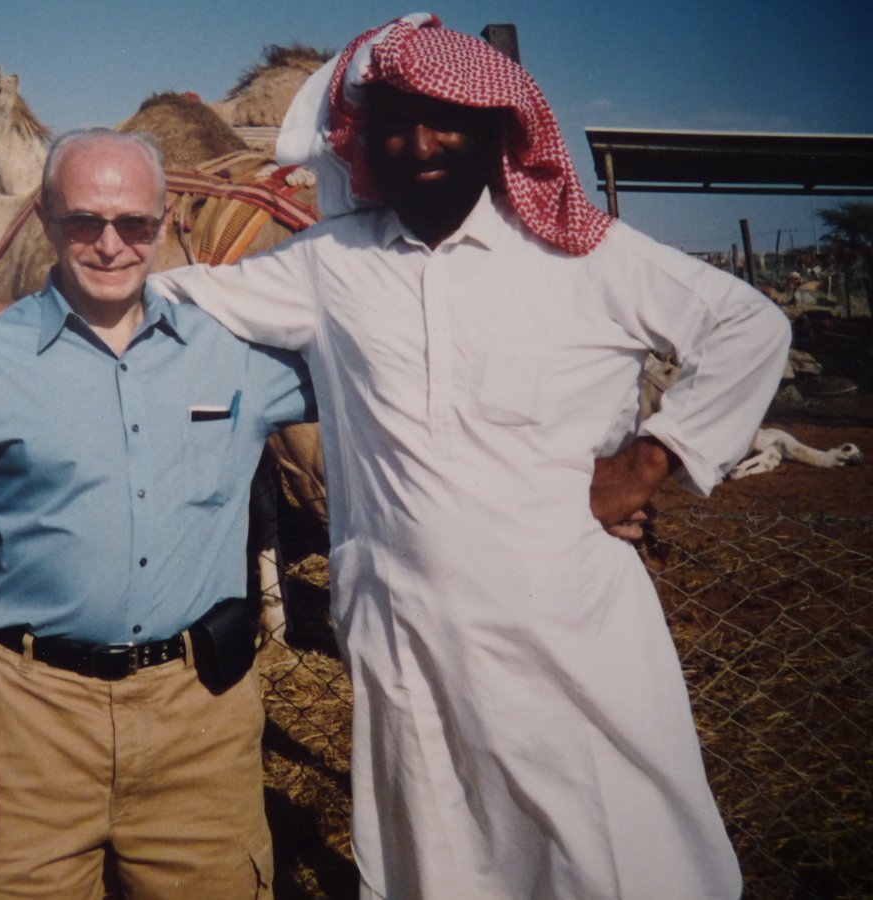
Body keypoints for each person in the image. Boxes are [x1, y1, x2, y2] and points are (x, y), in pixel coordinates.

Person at [150, 14, 792, 900]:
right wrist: (28, 327)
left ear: (497, 130)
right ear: (363, 142)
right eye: (395, 126)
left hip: (570, 634)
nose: (420, 145)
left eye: (446, 120)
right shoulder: (327, 266)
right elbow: (170, 296)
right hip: (406, 636)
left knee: (611, 848)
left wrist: (651, 459)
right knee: (435, 852)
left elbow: (748, 325)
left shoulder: (582, 256)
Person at [0, 128, 314, 899]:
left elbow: (395, 364)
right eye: (84, 222)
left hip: (199, 722)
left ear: (165, 223)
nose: (110, 245)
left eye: (133, 224)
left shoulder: (236, 357)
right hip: (30, 721)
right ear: (46, 221)